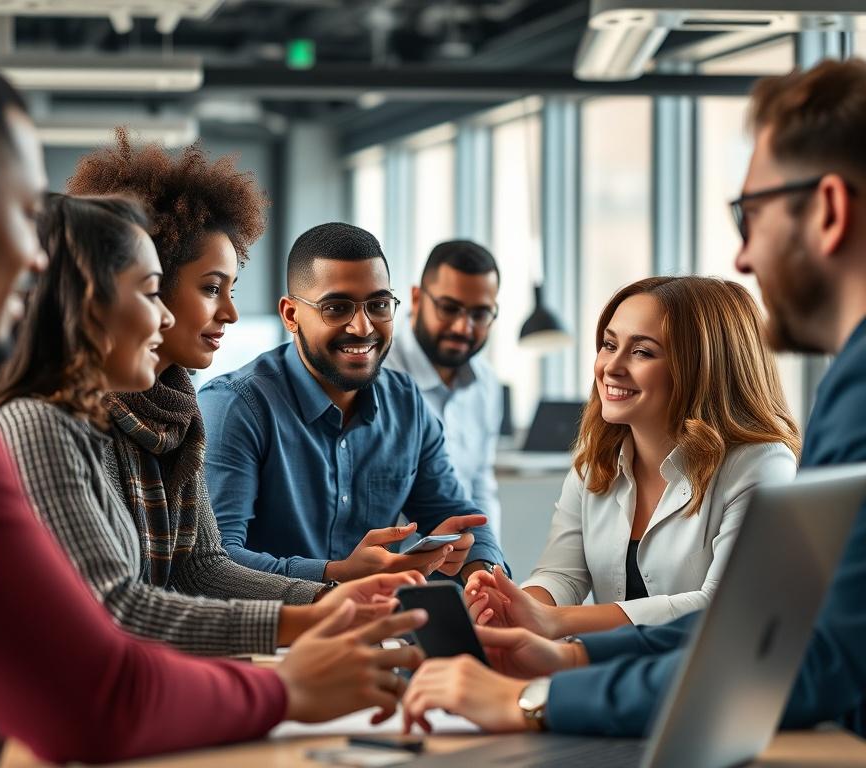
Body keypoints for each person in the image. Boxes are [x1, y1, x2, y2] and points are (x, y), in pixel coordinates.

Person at [0, 28, 426, 767]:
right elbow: (94, 693)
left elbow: (188, 574)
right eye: (25, 216)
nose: (35, 258)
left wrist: (314, 609)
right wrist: (290, 686)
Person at [402, 57, 866, 739]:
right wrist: (566, 650)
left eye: (750, 214)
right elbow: (755, 631)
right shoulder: (606, 454)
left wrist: (539, 696)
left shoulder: (833, 409)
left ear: (827, 209)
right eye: (609, 343)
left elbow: (788, 647)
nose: (741, 258)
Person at [0, 190, 417, 657]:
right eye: (152, 292)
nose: (229, 312)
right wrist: (310, 621)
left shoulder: (173, 412)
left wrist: (329, 603)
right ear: (88, 304)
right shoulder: (40, 424)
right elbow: (115, 609)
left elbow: (198, 569)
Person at [467, 276, 798, 638]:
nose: (611, 366)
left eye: (642, 352)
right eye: (609, 345)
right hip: (612, 675)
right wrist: (517, 606)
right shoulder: (596, 461)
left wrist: (556, 622)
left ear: (704, 367)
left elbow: (723, 606)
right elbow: (561, 575)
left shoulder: (761, 464)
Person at [198, 222, 506, 582]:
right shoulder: (235, 407)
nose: (363, 327)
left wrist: (479, 573)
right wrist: (338, 575)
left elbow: (459, 514)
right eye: (337, 308)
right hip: (273, 634)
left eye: (378, 305)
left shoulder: (408, 405)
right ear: (291, 315)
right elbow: (216, 563)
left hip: (382, 631)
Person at [384, 240, 504, 542]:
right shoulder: (381, 375)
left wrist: (491, 559)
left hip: (464, 565)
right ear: (416, 298)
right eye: (449, 308)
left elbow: (480, 485)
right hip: (394, 567)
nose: (464, 327)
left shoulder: (487, 384)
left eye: (480, 314)